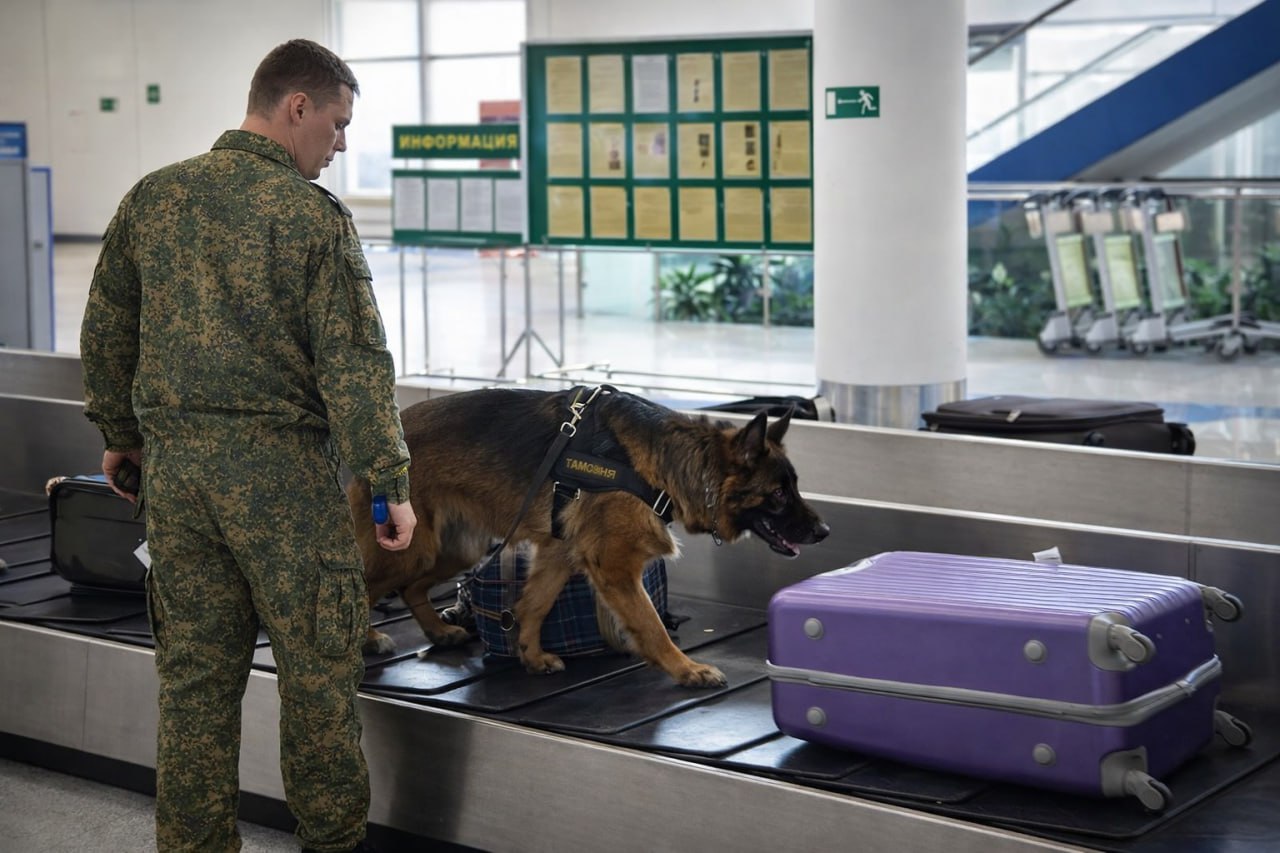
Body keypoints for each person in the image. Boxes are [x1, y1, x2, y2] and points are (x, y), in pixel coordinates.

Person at [80, 39, 416, 853]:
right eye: (336, 125)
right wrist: (388, 483)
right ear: (295, 107)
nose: (339, 146)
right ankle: (333, 841)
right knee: (318, 674)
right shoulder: (311, 218)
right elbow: (354, 364)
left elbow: (106, 329)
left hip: (179, 483)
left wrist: (120, 437)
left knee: (194, 678)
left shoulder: (153, 197)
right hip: (281, 487)